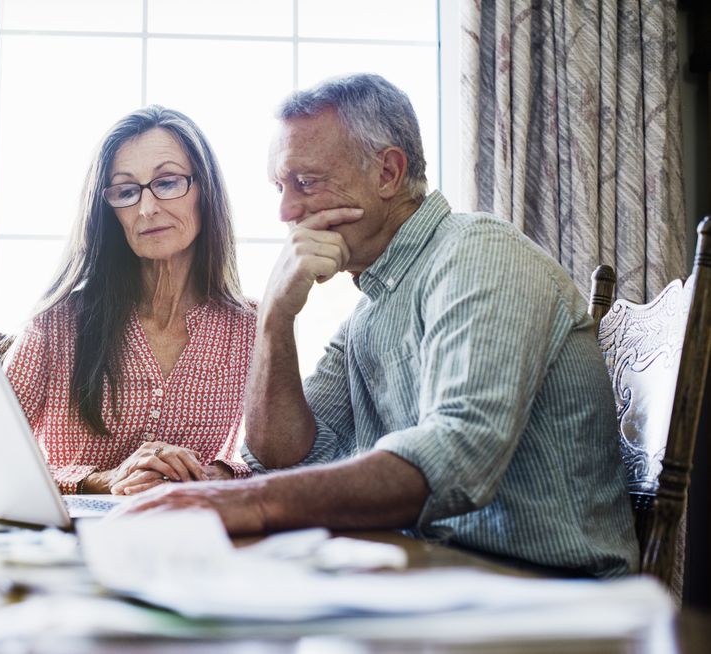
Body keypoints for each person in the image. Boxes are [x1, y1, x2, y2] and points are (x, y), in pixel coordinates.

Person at [118, 74, 639, 578]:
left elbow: (456, 456)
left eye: (306, 182)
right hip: (444, 576)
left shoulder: (478, 250)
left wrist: (238, 500)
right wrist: (275, 317)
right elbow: (279, 456)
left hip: (548, 592)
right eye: (280, 186)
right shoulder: (370, 307)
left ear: (388, 172)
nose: (285, 210)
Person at [3, 105, 255, 496]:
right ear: (109, 211)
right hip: (77, 545)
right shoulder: (55, 323)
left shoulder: (251, 327)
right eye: (125, 191)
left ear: (205, 191)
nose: (147, 208)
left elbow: (277, 459)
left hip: (196, 539)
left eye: (168, 182)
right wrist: (98, 481)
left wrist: (220, 473)